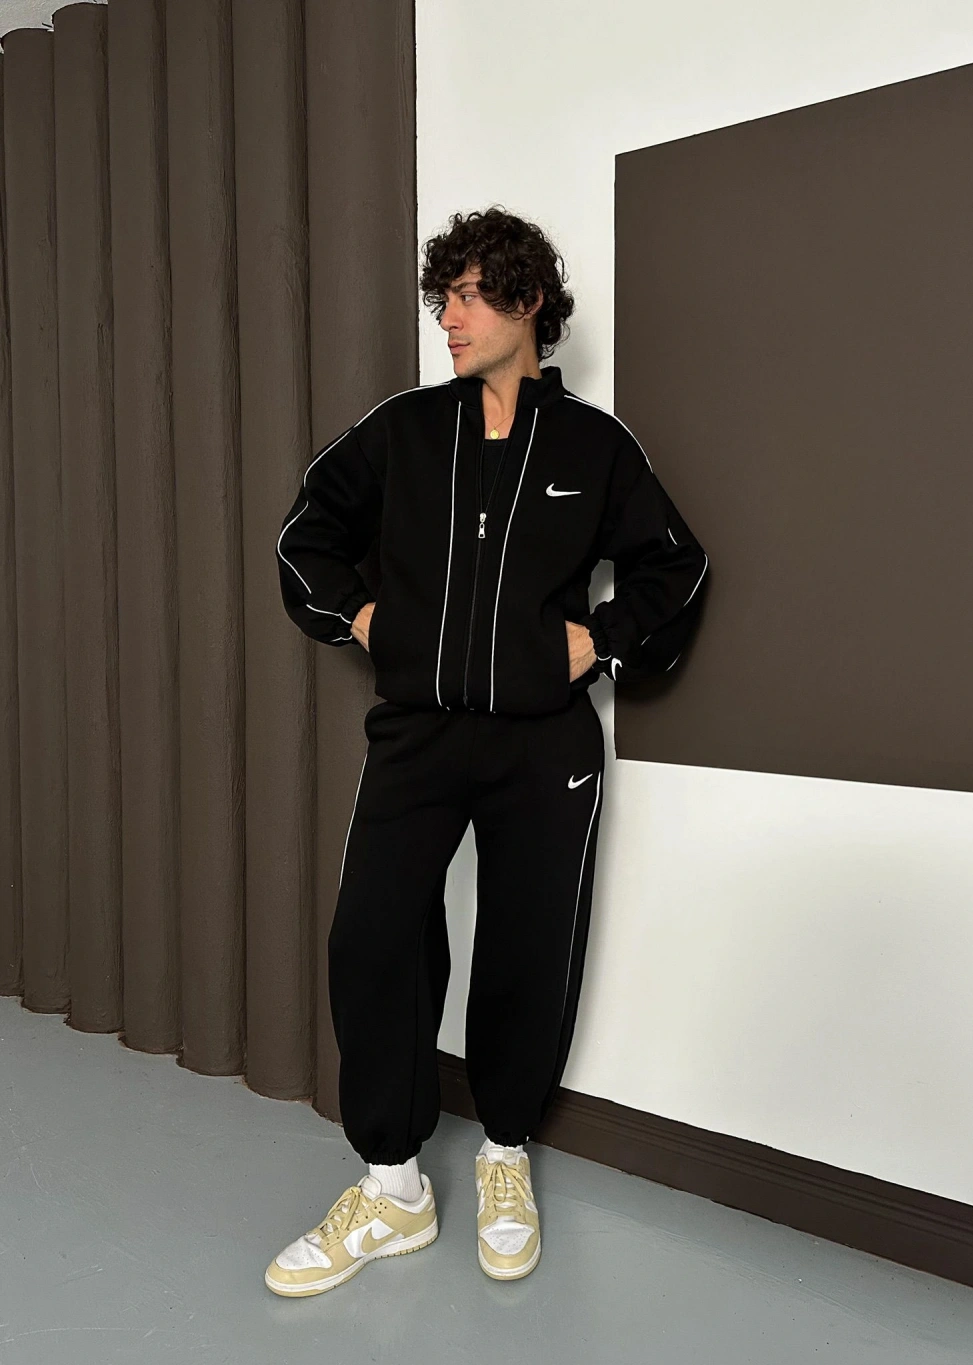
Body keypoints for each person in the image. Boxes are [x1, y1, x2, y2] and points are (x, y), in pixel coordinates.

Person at [265, 206, 710, 1293]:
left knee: (527, 946)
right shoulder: (406, 429)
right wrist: (366, 620)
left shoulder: (594, 447)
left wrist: (598, 641)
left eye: (466, 296)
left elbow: (677, 566)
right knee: (374, 937)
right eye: (444, 299)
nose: (448, 320)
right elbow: (306, 534)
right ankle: (392, 1186)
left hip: (542, 746)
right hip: (416, 734)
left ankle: (506, 1151)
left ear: (526, 300)